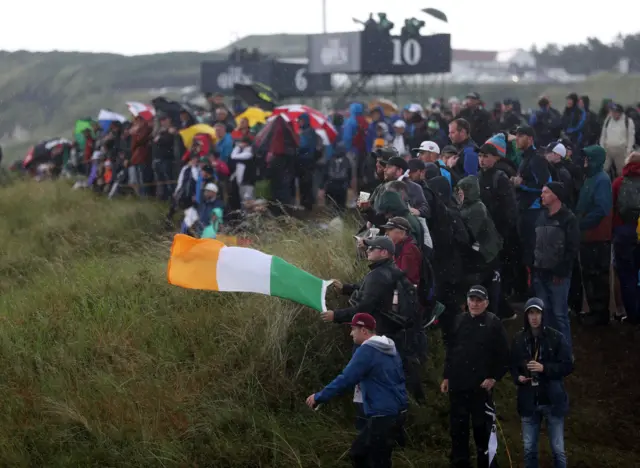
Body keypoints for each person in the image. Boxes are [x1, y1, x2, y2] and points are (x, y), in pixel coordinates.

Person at [306, 313, 407, 468]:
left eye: (353, 329)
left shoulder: (367, 350)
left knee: (365, 457)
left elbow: (346, 378)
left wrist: (319, 397)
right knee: (368, 456)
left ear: (364, 331)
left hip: (382, 414)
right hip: (396, 412)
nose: (351, 333)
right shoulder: (389, 348)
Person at [441, 285, 510, 468]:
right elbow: (451, 351)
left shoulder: (494, 323)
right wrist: (446, 376)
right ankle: (460, 463)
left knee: (483, 432)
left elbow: (504, 356)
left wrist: (494, 377)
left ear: (486, 303)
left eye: (479, 300)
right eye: (472, 299)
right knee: (458, 431)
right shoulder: (458, 320)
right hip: (457, 386)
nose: (475, 303)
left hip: (480, 389)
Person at [510, 298, 573, 468]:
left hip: (552, 400)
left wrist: (544, 368)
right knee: (529, 449)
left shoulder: (556, 337)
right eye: (531, 313)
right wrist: (518, 378)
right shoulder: (518, 339)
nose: (534, 317)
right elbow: (512, 365)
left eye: (537, 312)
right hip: (528, 400)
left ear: (543, 315)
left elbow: (568, 365)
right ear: (526, 316)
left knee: (558, 450)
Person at [532, 182, 580, 354]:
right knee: (545, 314)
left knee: (560, 315)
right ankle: (549, 349)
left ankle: (566, 352)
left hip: (558, 276)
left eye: (545, 192)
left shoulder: (568, 218)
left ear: (556, 195)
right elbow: (535, 242)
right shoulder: (540, 216)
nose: (542, 195)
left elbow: (572, 248)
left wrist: (562, 270)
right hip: (540, 272)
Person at [575, 145, 613, 326]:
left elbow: (602, 209)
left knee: (598, 276)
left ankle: (600, 314)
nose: (585, 162)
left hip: (597, 237)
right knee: (589, 274)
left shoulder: (601, 179)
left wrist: (581, 223)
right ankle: (594, 311)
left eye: (588, 159)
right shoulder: (590, 178)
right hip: (588, 237)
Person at [611, 151, 640, 324]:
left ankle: (631, 314)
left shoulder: (619, 183)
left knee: (626, 275)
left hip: (623, 233)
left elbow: (613, 208)